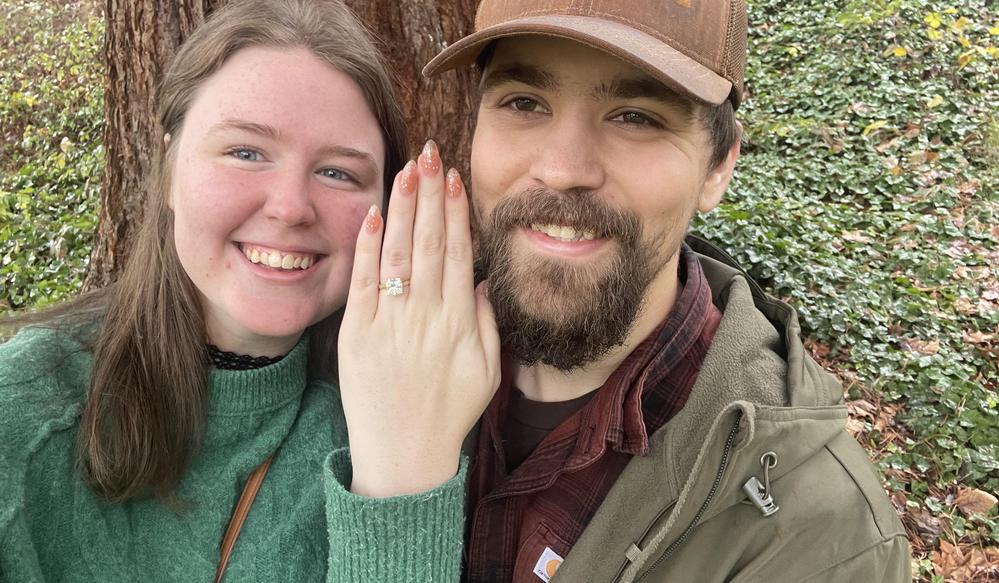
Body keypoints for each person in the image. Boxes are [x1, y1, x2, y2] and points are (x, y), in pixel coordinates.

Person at [404, 0, 911, 580]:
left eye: (636, 117)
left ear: (718, 167)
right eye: (524, 103)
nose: (562, 169)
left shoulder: (822, 539)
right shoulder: (369, 367)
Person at [0, 1, 496, 581]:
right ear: (170, 170)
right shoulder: (24, 417)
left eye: (338, 172)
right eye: (245, 152)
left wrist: (401, 483)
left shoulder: (431, 410)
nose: (290, 208)